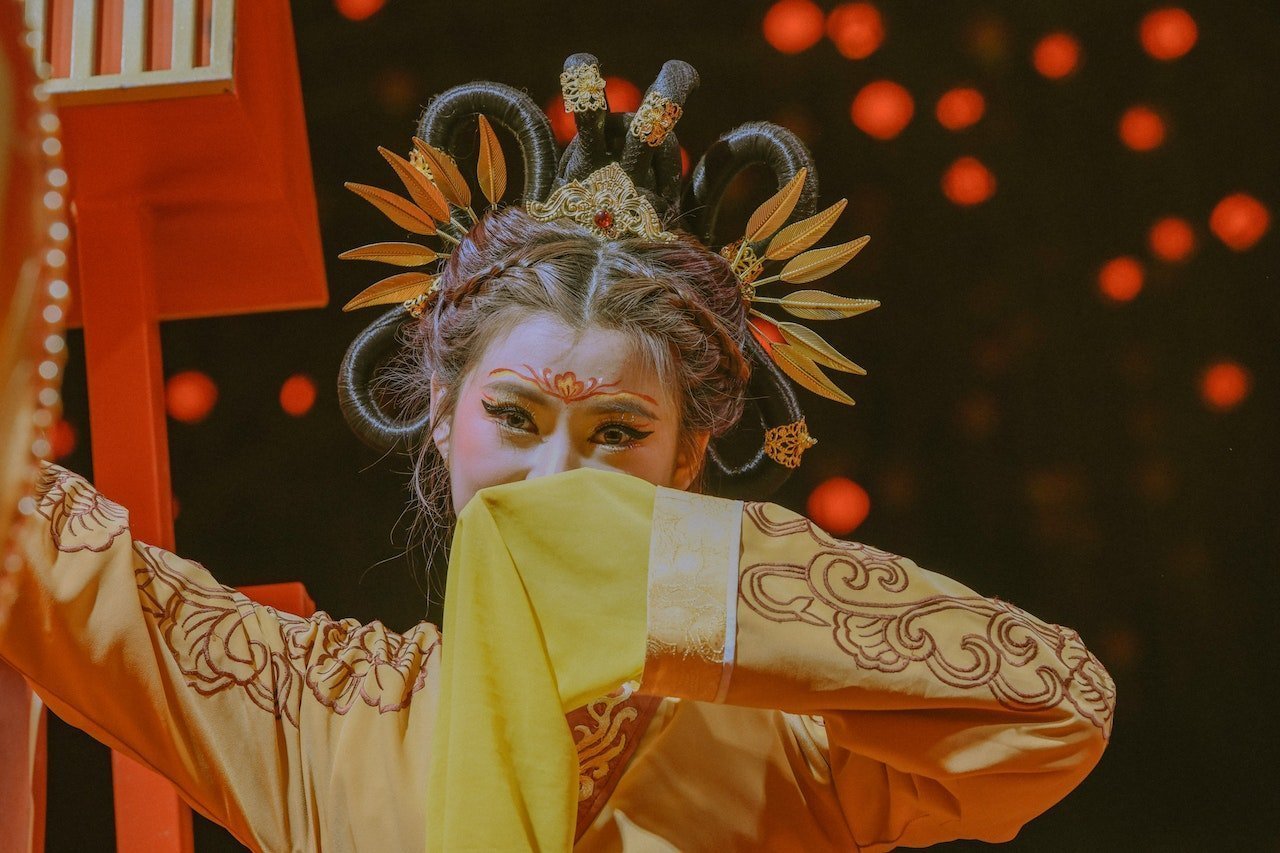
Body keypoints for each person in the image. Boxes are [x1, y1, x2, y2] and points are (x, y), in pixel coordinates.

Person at [0, 55, 1114, 851]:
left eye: (617, 435)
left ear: (687, 463)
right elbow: (32, 543)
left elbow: (1054, 705)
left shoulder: (793, 741)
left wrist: (668, 579)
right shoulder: (318, 711)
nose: (556, 482)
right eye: (517, 419)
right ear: (442, 414)